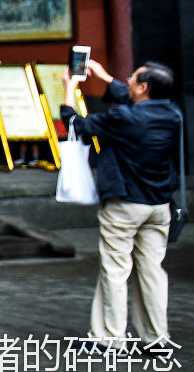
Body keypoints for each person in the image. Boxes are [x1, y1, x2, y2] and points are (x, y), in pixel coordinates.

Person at [60, 59, 180, 349]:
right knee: (152, 270)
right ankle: (157, 338)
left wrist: (68, 88)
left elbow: (77, 124)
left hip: (125, 203)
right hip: (158, 205)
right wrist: (103, 77)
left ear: (143, 87)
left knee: (115, 269)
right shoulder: (173, 114)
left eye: (132, 79)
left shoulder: (124, 118)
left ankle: (109, 339)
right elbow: (133, 98)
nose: (126, 82)